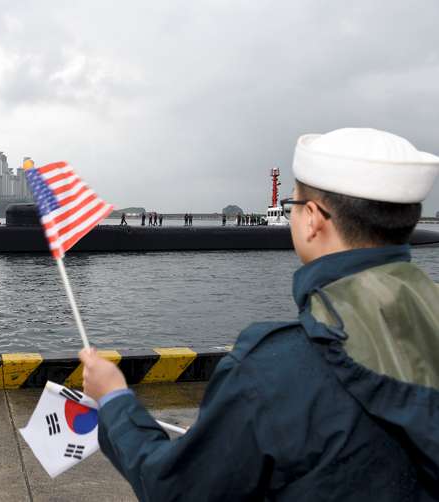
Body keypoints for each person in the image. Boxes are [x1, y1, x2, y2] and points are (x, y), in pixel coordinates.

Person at [79, 128, 439, 500]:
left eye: (294, 206)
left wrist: (114, 399)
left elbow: (173, 491)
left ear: (313, 219)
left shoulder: (271, 369)